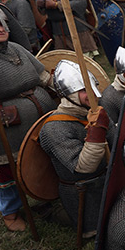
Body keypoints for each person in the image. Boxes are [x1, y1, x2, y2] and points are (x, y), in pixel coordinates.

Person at [0, 0, 55, 231]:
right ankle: (10, 212)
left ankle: (42, 194)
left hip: (37, 117)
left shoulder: (17, 48)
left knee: (39, 161)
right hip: (1, 125)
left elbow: (44, 77)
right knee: (6, 171)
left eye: (1, 23)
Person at [39, 60, 112, 237]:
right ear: (68, 94)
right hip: (84, 192)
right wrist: (97, 132)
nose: (93, 94)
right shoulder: (53, 128)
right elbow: (84, 167)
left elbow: (115, 142)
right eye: (83, 89)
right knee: (102, 230)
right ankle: (50, 212)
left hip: (107, 181)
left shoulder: (93, 112)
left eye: (93, 86)